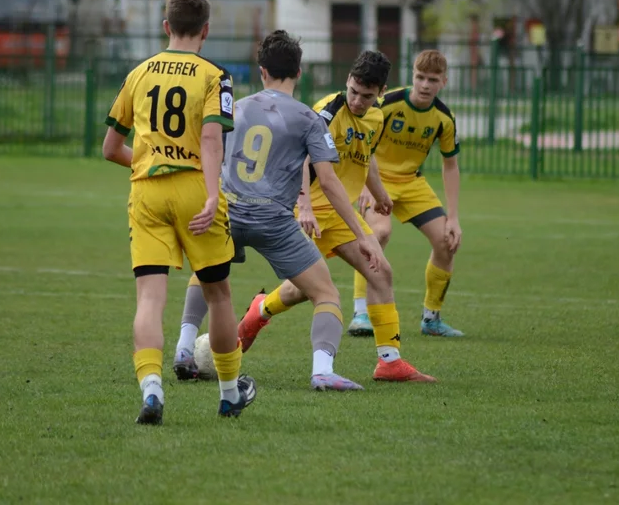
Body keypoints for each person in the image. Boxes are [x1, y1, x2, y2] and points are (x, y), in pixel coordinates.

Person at [171, 30, 388, 391]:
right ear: (299, 72)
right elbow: (331, 183)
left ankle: (182, 348)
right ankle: (322, 370)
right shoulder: (309, 118)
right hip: (273, 220)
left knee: (208, 274)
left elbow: (208, 155)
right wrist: (363, 234)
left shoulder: (236, 109)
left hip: (230, 211)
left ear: (261, 72)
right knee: (326, 294)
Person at [101, 0, 256, 425]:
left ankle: (152, 389)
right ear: (206, 30)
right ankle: (229, 395)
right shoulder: (215, 75)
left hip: (147, 191)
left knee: (149, 298)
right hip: (193, 189)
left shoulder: (138, 74)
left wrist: (152, 162)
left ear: (166, 27)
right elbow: (212, 140)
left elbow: (111, 148)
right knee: (218, 294)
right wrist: (210, 194)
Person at [239, 50, 436, 383]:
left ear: (381, 93)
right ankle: (258, 312)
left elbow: (366, 156)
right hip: (315, 210)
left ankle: (389, 361)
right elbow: (301, 157)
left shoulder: (377, 117)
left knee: (379, 271)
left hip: (342, 212)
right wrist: (303, 206)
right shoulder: (327, 111)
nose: (358, 101)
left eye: (367, 96)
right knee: (306, 290)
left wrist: (380, 192)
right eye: (354, 91)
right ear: (347, 80)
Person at [349, 49, 464, 338]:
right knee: (379, 234)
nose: (425, 85)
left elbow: (450, 166)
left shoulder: (443, 118)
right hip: (376, 177)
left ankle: (431, 318)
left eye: (433, 79)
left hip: (411, 182)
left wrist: (453, 218)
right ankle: (361, 312)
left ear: (444, 82)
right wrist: (365, 186)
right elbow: (362, 142)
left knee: (446, 241)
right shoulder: (387, 103)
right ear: (412, 76)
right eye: (420, 77)